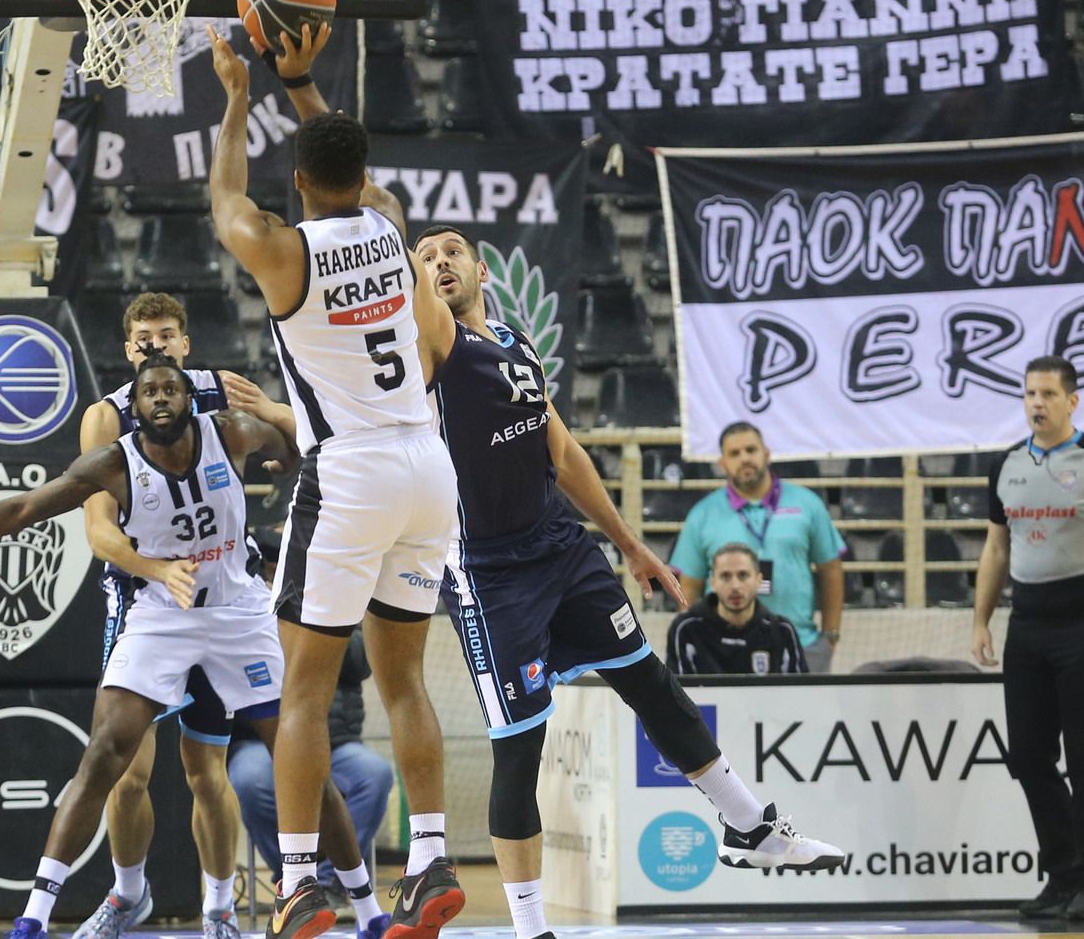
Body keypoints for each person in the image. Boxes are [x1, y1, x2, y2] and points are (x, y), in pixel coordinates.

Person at [231, 224, 845, 939]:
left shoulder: (515, 343)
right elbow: (350, 417)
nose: (438, 262)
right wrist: (282, 414)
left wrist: (630, 545)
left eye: (451, 251)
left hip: (560, 546)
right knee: (521, 748)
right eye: (425, 257)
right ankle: (531, 929)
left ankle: (748, 826)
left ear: (483, 270)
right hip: (486, 572)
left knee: (650, 682)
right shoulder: (425, 346)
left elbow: (564, 451)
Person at [0, 355, 378, 939]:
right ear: (133, 408)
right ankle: (34, 917)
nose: (160, 398)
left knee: (300, 757)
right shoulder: (113, 463)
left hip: (239, 613)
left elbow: (297, 442)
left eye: (171, 389)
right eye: (149, 391)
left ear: (189, 400)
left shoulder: (230, 431)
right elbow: (24, 508)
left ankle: (367, 913)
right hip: (161, 615)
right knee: (106, 751)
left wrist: (284, 454)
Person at [205, 22, 463, 939]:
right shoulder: (392, 229)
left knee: (303, 691)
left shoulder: (285, 251)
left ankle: (299, 884)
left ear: (300, 181)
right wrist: (301, 80)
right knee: (405, 682)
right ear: (359, 173)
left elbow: (225, 198)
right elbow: (346, 163)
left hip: (349, 470)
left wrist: (240, 96)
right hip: (427, 465)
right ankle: (430, 861)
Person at [72, 292, 293, 939]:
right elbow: (99, 530)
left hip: (219, 599)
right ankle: (127, 895)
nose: (155, 346)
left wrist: (281, 441)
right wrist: (155, 569)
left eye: (166, 335)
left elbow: (295, 430)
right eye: (144, 338)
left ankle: (219, 909)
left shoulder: (221, 392)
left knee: (206, 771)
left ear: (186, 344)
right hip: (143, 600)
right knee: (128, 773)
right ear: (127, 349)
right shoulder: (106, 416)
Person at [973, 355, 1084, 919]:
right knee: (1028, 757)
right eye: (1029, 394)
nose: (1036, 403)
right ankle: (1064, 877)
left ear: (1072, 401)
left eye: (1048, 394)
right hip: (1028, 623)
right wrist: (980, 620)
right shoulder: (1006, 464)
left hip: (1079, 621)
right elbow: (997, 548)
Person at [228, 633, 393, 899]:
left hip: (335, 741)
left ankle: (331, 881)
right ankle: (294, 883)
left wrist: (320, 634)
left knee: (375, 774)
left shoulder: (341, 607)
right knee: (250, 779)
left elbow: (361, 661)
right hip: (259, 740)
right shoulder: (251, 611)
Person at [670, 423, 846, 672]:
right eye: (734, 453)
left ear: (767, 454)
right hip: (722, 651)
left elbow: (831, 570)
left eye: (751, 450)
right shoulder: (702, 514)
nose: (744, 458)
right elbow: (689, 586)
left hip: (801, 644)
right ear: (722, 464)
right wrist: (698, 638)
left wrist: (830, 636)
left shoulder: (808, 504)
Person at [666, 543, 808, 675]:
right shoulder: (686, 629)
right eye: (725, 576)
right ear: (713, 582)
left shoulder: (782, 631)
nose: (735, 586)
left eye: (743, 576)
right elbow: (676, 690)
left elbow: (801, 691)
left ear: (759, 581)